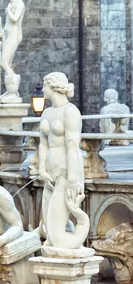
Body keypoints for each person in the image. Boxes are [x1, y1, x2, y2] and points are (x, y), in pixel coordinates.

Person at [38, 72, 88, 249]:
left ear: (53, 87)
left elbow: (73, 147)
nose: (42, 89)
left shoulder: (70, 111)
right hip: (50, 171)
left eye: (45, 85)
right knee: (49, 231)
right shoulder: (46, 113)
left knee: (55, 230)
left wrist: (73, 179)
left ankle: (71, 248)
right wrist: (41, 169)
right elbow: (43, 144)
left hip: (68, 170)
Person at [0, 0, 25, 76]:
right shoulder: (11, 4)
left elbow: (15, 19)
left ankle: (14, 83)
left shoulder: (19, 3)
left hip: (13, 36)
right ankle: (10, 90)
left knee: (4, 63)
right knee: (8, 64)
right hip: (6, 35)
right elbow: (7, 23)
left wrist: (8, 11)